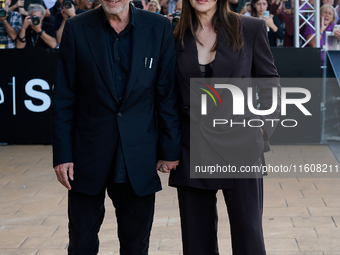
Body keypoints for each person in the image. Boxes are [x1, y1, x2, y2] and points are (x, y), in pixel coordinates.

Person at [52, 0, 181, 253]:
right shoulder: (77, 27)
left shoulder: (158, 27)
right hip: (86, 157)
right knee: (81, 243)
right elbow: (64, 97)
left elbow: (166, 95)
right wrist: (62, 155)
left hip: (138, 156)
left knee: (136, 245)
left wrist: (170, 149)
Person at [168, 0, 280, 254]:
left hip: (241, 145)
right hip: (192, 146)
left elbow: (269, 79)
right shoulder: (174, 35)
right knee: (197, 242)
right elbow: (167, 94)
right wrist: (168, 146)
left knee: (249, 236)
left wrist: (263, 128)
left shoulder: (250, 28)